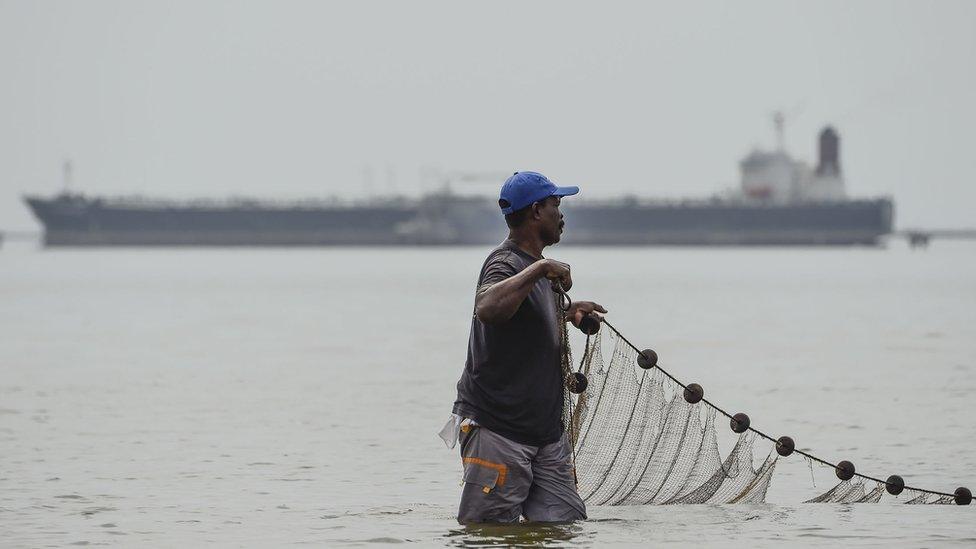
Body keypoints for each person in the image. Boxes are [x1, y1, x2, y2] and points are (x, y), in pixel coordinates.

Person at [439, 171, 607, 524]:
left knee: (565, 528)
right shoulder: (506, 263)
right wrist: (542, 268)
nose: (561, 215)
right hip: (498, 430)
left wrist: (567, 312)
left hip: (545, 436)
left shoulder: (534, 272)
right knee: (487, 534)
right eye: (555, 205)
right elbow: (488, 308)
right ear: (535, 212)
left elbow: (524, 319)